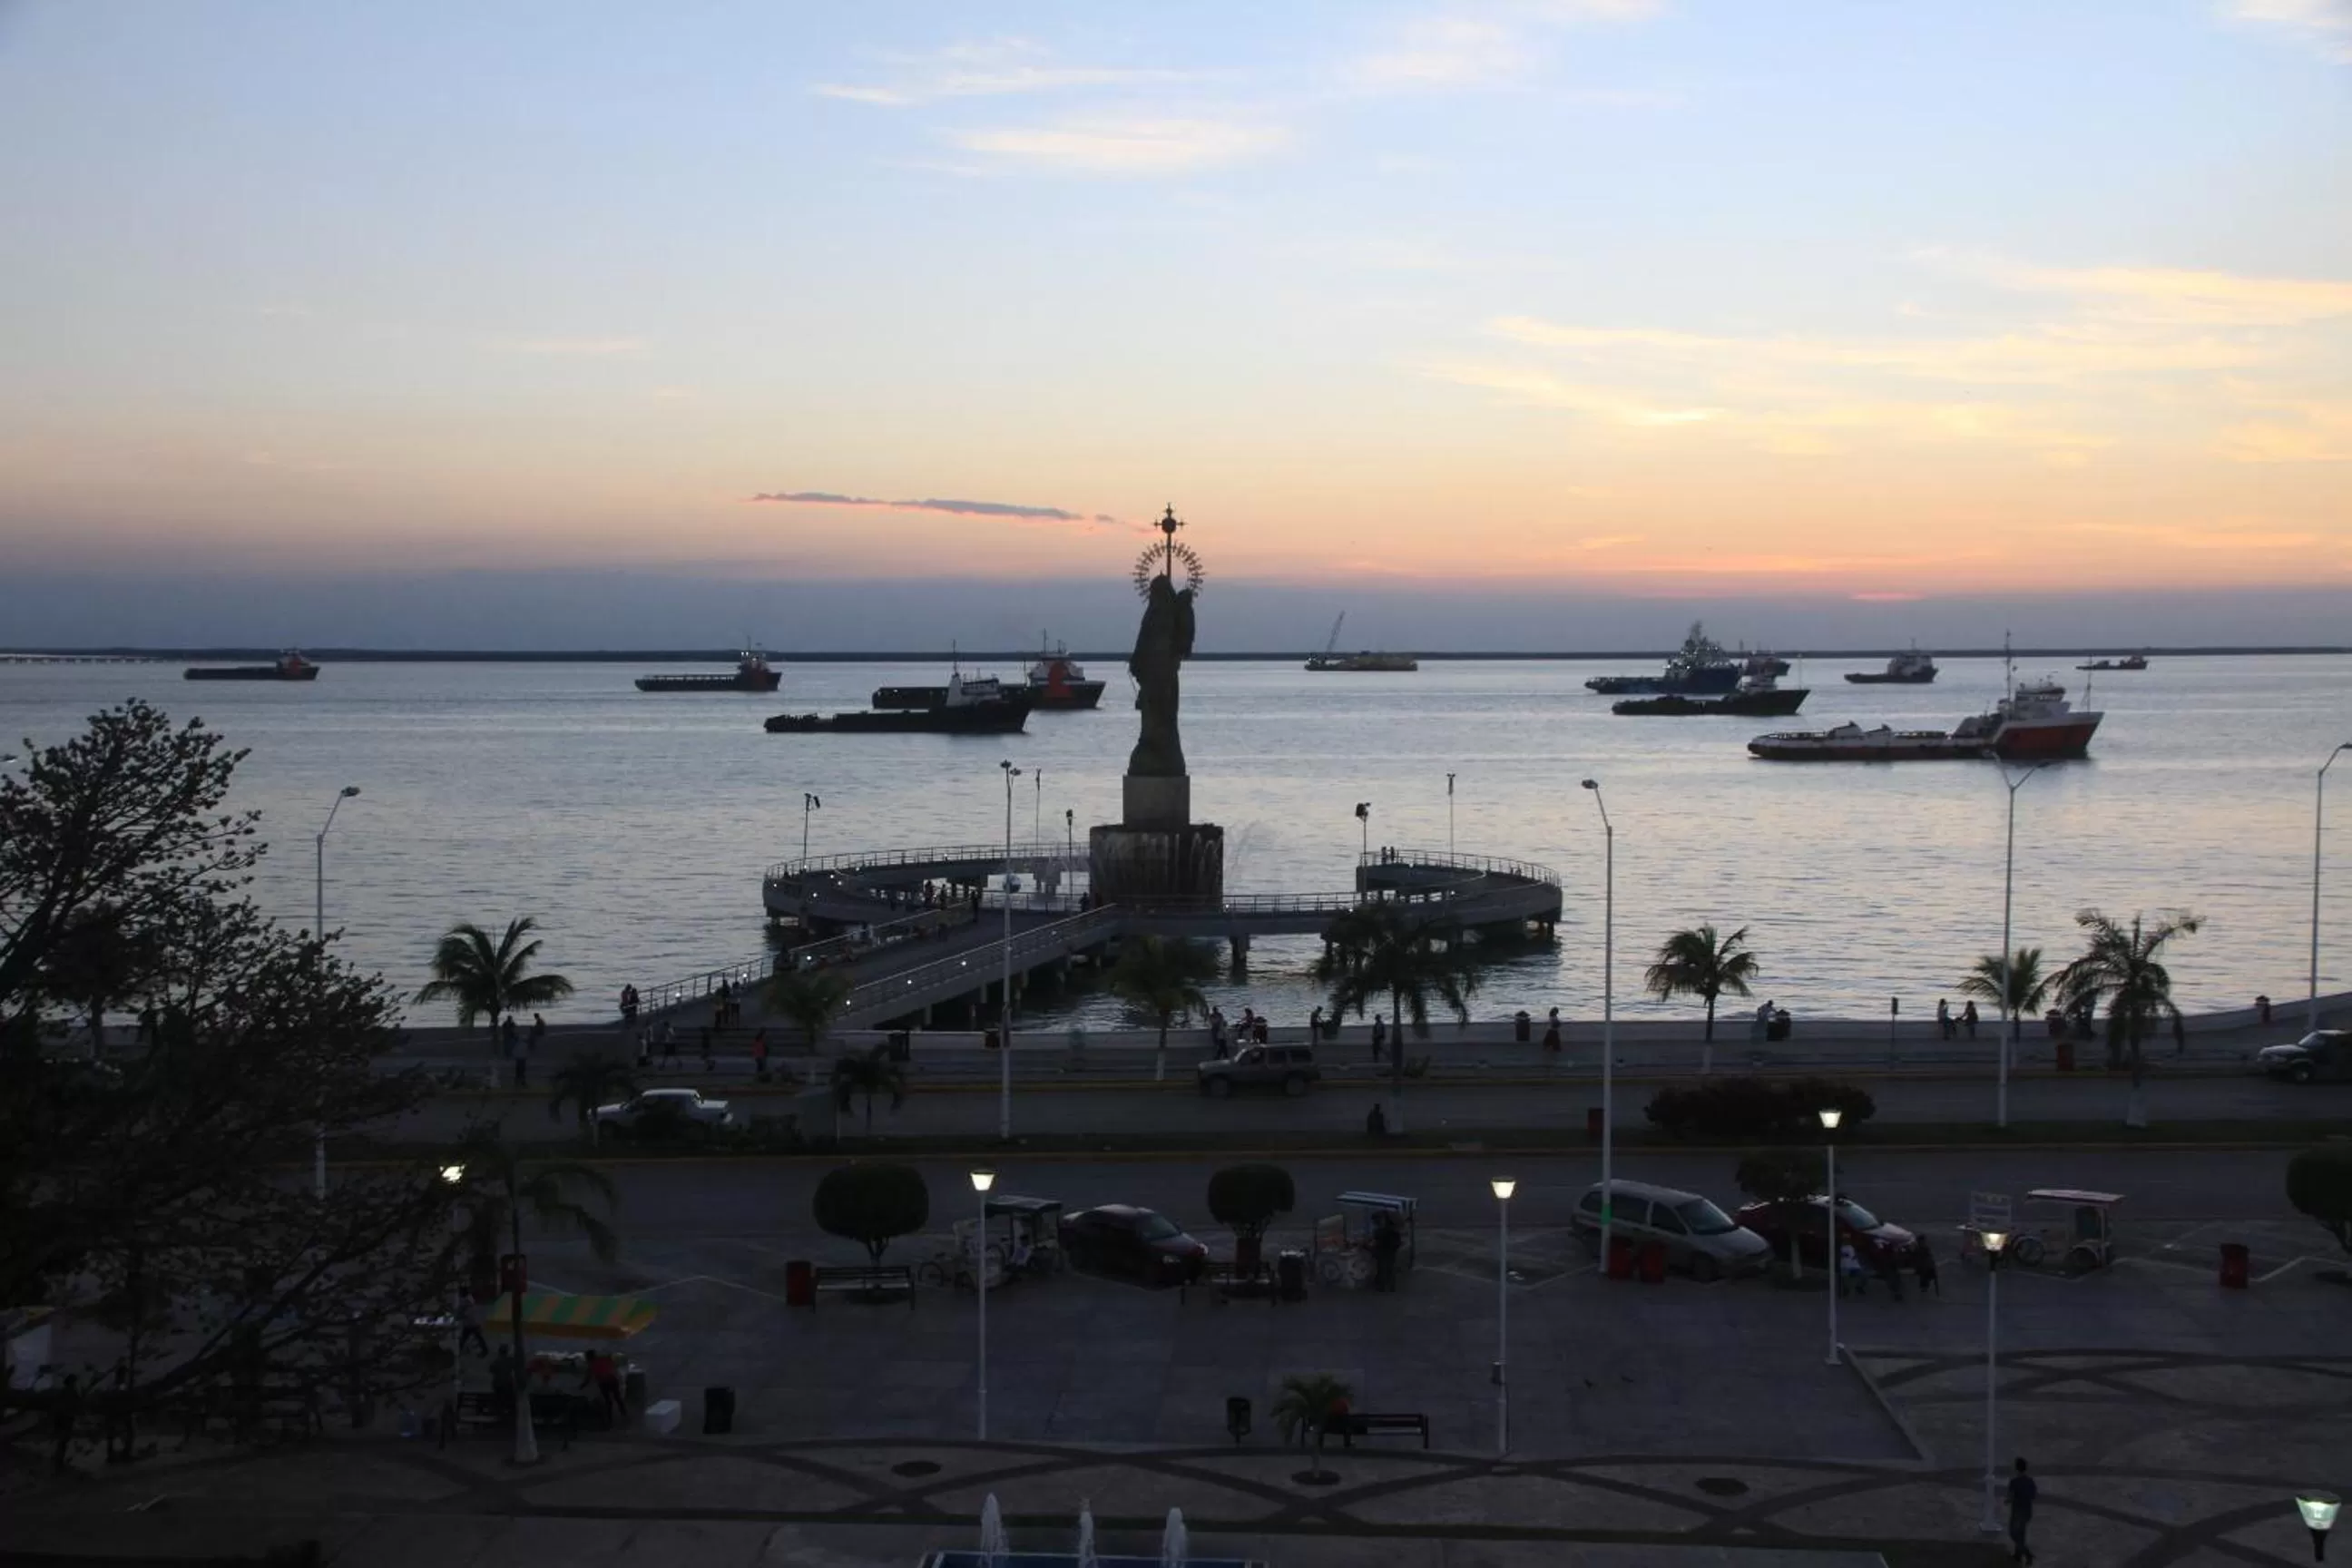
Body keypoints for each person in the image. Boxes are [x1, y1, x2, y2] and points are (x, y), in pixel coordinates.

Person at [2006, 1456, 2038, 1563]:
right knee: (2021, 1533)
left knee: (2013, 1533)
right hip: (2027, 1511)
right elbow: (2033, 1496)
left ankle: (2027, 1553)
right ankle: (2018, 1555)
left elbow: (2010, 1497)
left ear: (2016, 1468)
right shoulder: (2030, 1481)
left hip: (2017, 1512)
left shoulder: (2014, 1482)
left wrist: (2007, 1501)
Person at [583, 1349, 627, 1425]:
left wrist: (583, 1385)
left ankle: (610, 1420)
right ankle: (624, 1415)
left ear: (588, 1357)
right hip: (612, 1380)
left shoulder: (591, 1364)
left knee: (608, 1401)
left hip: (604, 1382)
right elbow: (613, 1365)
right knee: (617, 1398)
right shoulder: (604, 1359)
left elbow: (588, 1377)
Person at [1371, 1211, 1402, 1292]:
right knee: (1390, 1268)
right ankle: (1391, 1286)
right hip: (1391, 1252)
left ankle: (1382, 1287)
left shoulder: (1380, 1231)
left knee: (1382, 1268)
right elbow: (1398, 1242)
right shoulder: (1394, 1230)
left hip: (1383, 1251)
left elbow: (1376, 1242)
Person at [456, 1287, 490, 1357]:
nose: (459, 1294)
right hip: (471, 1323)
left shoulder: (468, 1301)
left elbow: (466, 1313)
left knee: (470, 1338)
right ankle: (485, 1350)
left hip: (472, 1323)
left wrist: (459, 1316)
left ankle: (459, 1351)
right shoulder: (467, 1300)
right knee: (476, 1337)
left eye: (460, 1292)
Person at [1912, 1234, 1941, 1298]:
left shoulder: (1925, 1248)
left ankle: (1927, 1289)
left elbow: (1929, 1257)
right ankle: (1925, 1287)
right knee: (1925, 1274)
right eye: (1923, 1241)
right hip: (1923, 1267)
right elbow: (1916, 1259)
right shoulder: (1919, 1249)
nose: (1924, 1242)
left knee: (1929, 1275)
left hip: (1926, 1266)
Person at [504, 1016, 527, 1088]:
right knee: (521, 1070)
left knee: (519, 1070)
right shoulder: (521, 1043)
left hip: (519, 1057)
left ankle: (518, 1081)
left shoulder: (507, 1024)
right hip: (521, 1057)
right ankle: (521, 1082)